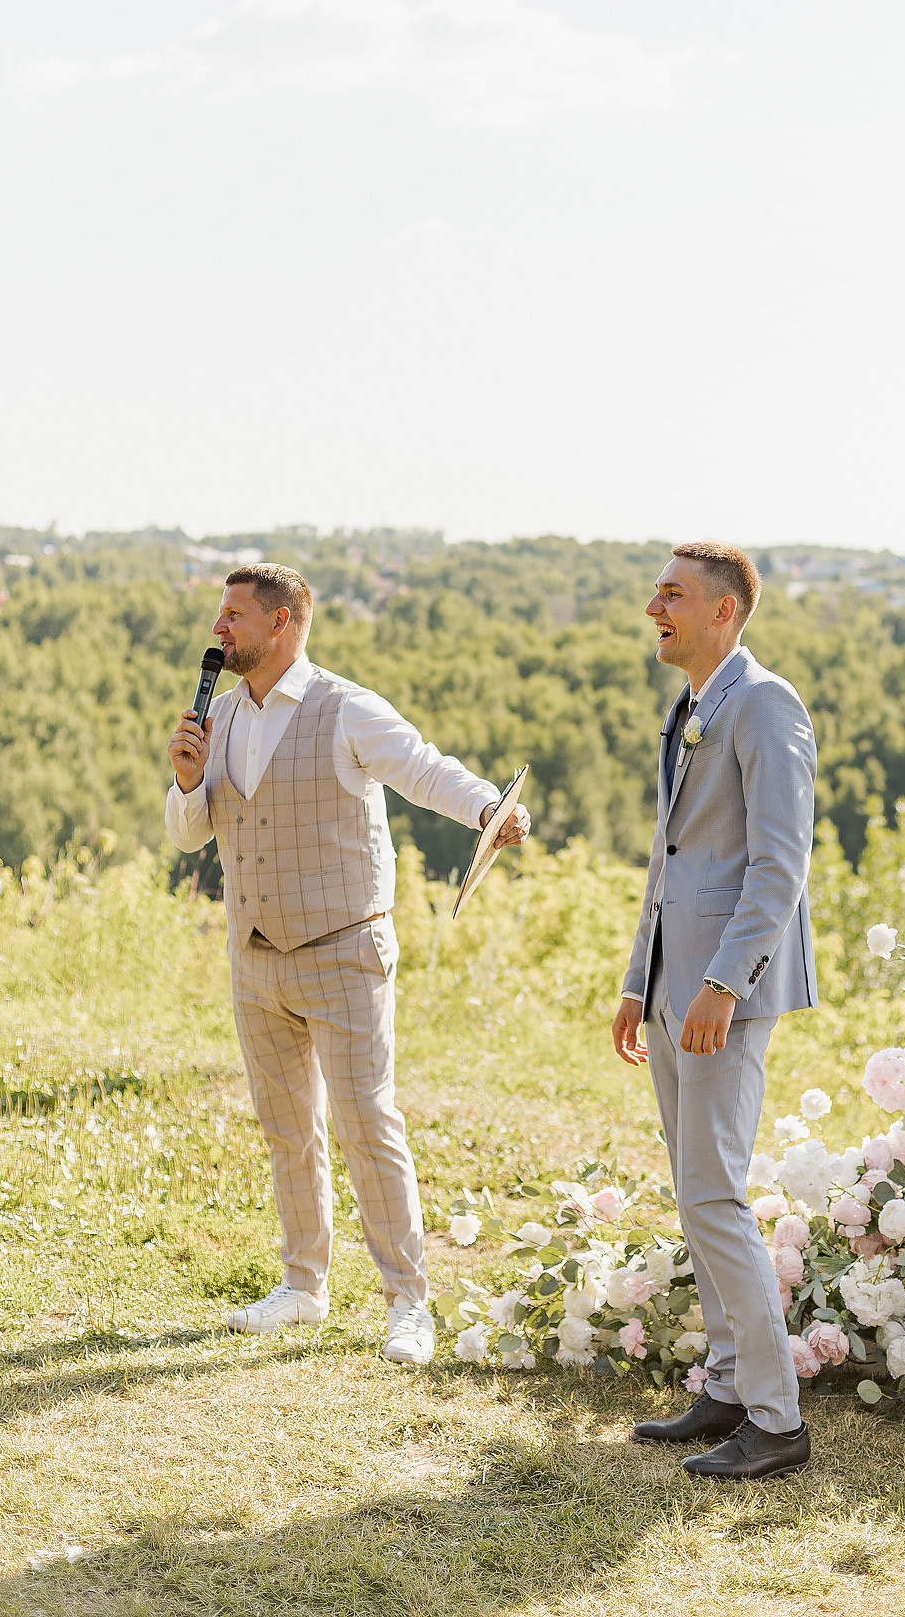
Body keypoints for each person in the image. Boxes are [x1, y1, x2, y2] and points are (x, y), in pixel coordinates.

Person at [166, 563, 529, 1363]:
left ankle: (409, 1303)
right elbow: (190, 835)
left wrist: (487, 808)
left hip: (344, 952)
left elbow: (422, 766)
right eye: (220, 614)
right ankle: (303, 1286)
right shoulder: (218, 715)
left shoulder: (345, 706)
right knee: (287, 1129)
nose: (219, 628)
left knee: (368, 1124)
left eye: (234, 615)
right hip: (254, 958)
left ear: (281, 622)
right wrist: (187, 781)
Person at [612, 541, 817, 1480]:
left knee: (716, 1194)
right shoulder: (691, 706)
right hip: (672, 983)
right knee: (693, 1188)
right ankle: (729, 1386)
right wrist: (637, 980)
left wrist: (725, 984)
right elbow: (671, 857)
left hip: (723, 992)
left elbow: (779, 863)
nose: (655, 607)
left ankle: (777, 1423)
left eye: (673, 594)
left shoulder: (766, 704)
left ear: (724, 611)